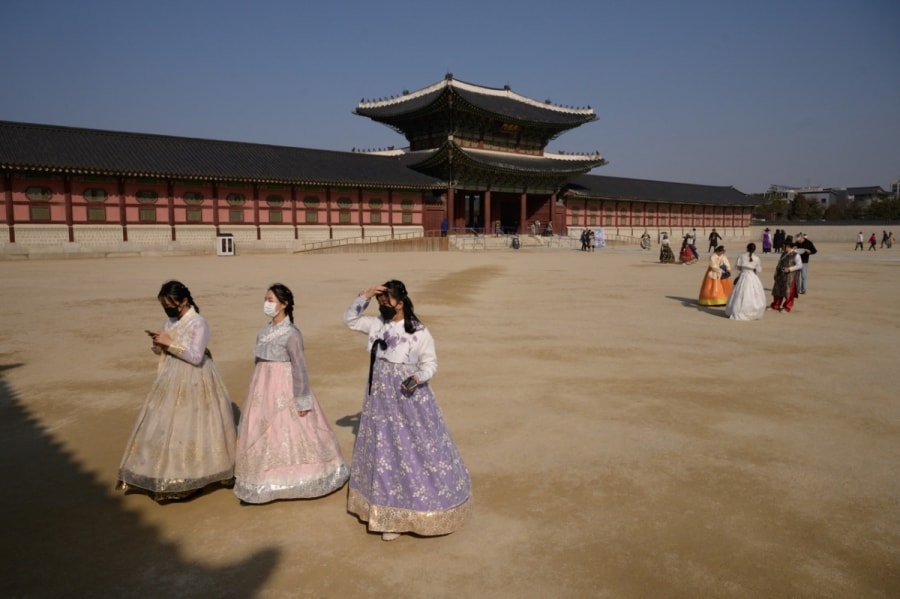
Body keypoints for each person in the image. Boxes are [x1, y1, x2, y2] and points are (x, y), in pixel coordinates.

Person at [343, 280, 472, 541]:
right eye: (379, 302)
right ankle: (385, 510)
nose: (382, 305)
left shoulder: (419, 332)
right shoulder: (378, 324)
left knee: (411, 448)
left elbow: (430, 364)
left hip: (408, 399)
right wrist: (366, 295)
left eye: (386, 301)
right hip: (379, 398)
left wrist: (417, 378)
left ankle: (411, 511)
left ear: (400, 303)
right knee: (384, 449)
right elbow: (350, 319)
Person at [117, 280, 236, 502]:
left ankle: (197, 475)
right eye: (164, 303)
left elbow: (195, 356)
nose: (167, 307)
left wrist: (169, 344)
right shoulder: (169, 321)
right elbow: (165, 350)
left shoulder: (199, 323)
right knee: (164, 424)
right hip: (171, 377)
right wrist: (159, 344)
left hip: (196, 378)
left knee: (192, 423)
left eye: (170, 303)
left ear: (184, 301)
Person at [233, 283, 349, 504]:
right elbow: (258, 362)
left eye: (271, 300)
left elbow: (300, 368)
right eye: (266, 299)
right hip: (262, 388)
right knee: (261, 430)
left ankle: (300, 478)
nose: (266, 304)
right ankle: (259, 478)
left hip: (284, 387)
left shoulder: (293, 334)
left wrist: (303, 399)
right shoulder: (264, 331)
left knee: (290, 430)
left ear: (284, 304)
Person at [725, 243, 766, 320]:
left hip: (743, 275)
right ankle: (752, 310)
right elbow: (758, 269)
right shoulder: (756, 258)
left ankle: (738, 310)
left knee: (739, 293)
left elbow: (738, 266)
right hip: (752, 276)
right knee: (753, 293)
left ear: (747, 248)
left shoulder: (741, 256)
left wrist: (743, 270)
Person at [771, 238, 802, 312]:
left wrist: (790, 269)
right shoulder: (783, 254)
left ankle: (787, 307)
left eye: (783, 246)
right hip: (780, 275)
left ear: (787, 246)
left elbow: (800, 265)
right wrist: (776, 273)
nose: (782, 247)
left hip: (790, 276)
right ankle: (776, 305)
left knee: (788, 292)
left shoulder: (796, 255)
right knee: (777, 291)